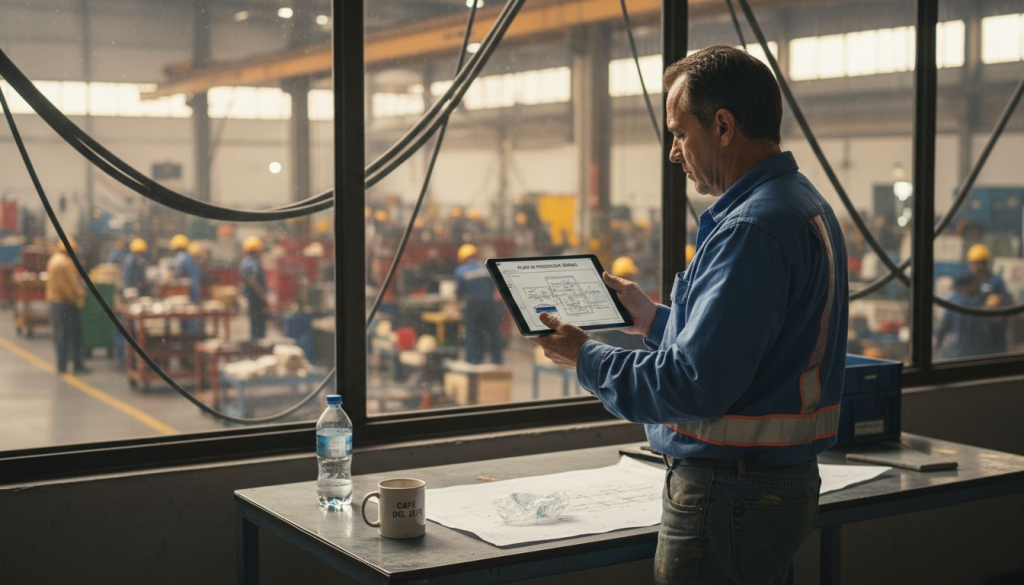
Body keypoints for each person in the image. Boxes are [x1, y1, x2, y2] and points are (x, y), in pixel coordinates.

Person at [532, 46, 848, 585]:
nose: (674, 153)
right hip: (769, 488)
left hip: (730, 495)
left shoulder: (752, 229)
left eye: (679, 133)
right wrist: (652, 320)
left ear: (723, 126)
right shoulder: (798, 204)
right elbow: (749, 346)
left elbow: (693, 384)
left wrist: (585, 358)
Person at [45, 238, 90, 374]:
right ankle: (77, 364)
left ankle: (61, 364)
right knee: (75, 335)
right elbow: (71, 285)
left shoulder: (53, 260)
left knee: (60, 334)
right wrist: (81, 296)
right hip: (66, 303)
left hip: (54, 303)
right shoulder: (66, 263)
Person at [454, 243, 503, 364]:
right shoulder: (486, 268)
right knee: (494, 333)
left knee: (473, 333)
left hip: (472, 306)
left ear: (463, 258)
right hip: (489, 305)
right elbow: (495, 287)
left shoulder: (460, 271)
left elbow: (459, 292)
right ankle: (497, 361)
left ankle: (474, 360)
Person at [936, 274, 987, 359]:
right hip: (971, 350)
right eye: (974, 284)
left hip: (954, 351)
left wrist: (938, 343)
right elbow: (982, 327)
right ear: (965, 286)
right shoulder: (972, 304)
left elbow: (943, 327)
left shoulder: (951, 300)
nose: (976, 287)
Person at [170, 233, 202, 335]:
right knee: (191, 317)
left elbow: (175, 273)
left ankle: (189, 341)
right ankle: (190, 340)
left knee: (188, 320)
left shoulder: (181, 258)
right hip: (192, 292)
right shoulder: (189, 258)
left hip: (188, 293)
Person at [240, 236, 268, 340]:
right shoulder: (252, 263)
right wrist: (263, 296)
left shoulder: (246, 261)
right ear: (255, 251)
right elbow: (252, 281)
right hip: (256, 298)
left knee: (255, 323)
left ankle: (256, 346)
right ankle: (257, 349)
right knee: (258, 325)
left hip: (253, 297)